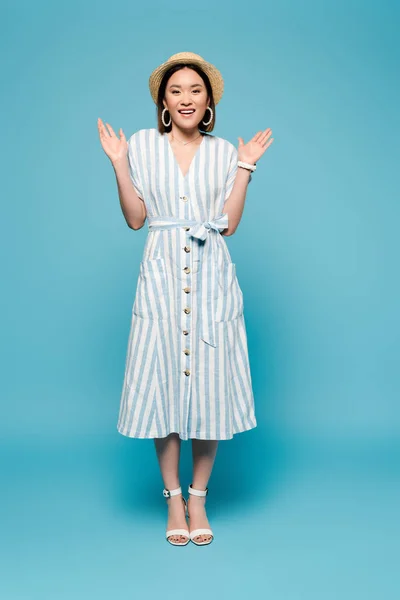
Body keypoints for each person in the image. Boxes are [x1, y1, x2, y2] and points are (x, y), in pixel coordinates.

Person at [97, 51, 274, 547]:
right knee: (162, 387)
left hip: (212, 274)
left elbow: (230, 223)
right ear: (163, 102)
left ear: (208, 100)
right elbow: (136, 218)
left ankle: (199, 497)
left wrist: (245, 167)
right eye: (176, 91)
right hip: (160, 277)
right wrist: (117, 163)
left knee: (210, 389)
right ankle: (172, 496)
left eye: (195, 90)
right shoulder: (140, 145)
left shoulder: (222, 153)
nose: (186, 98)